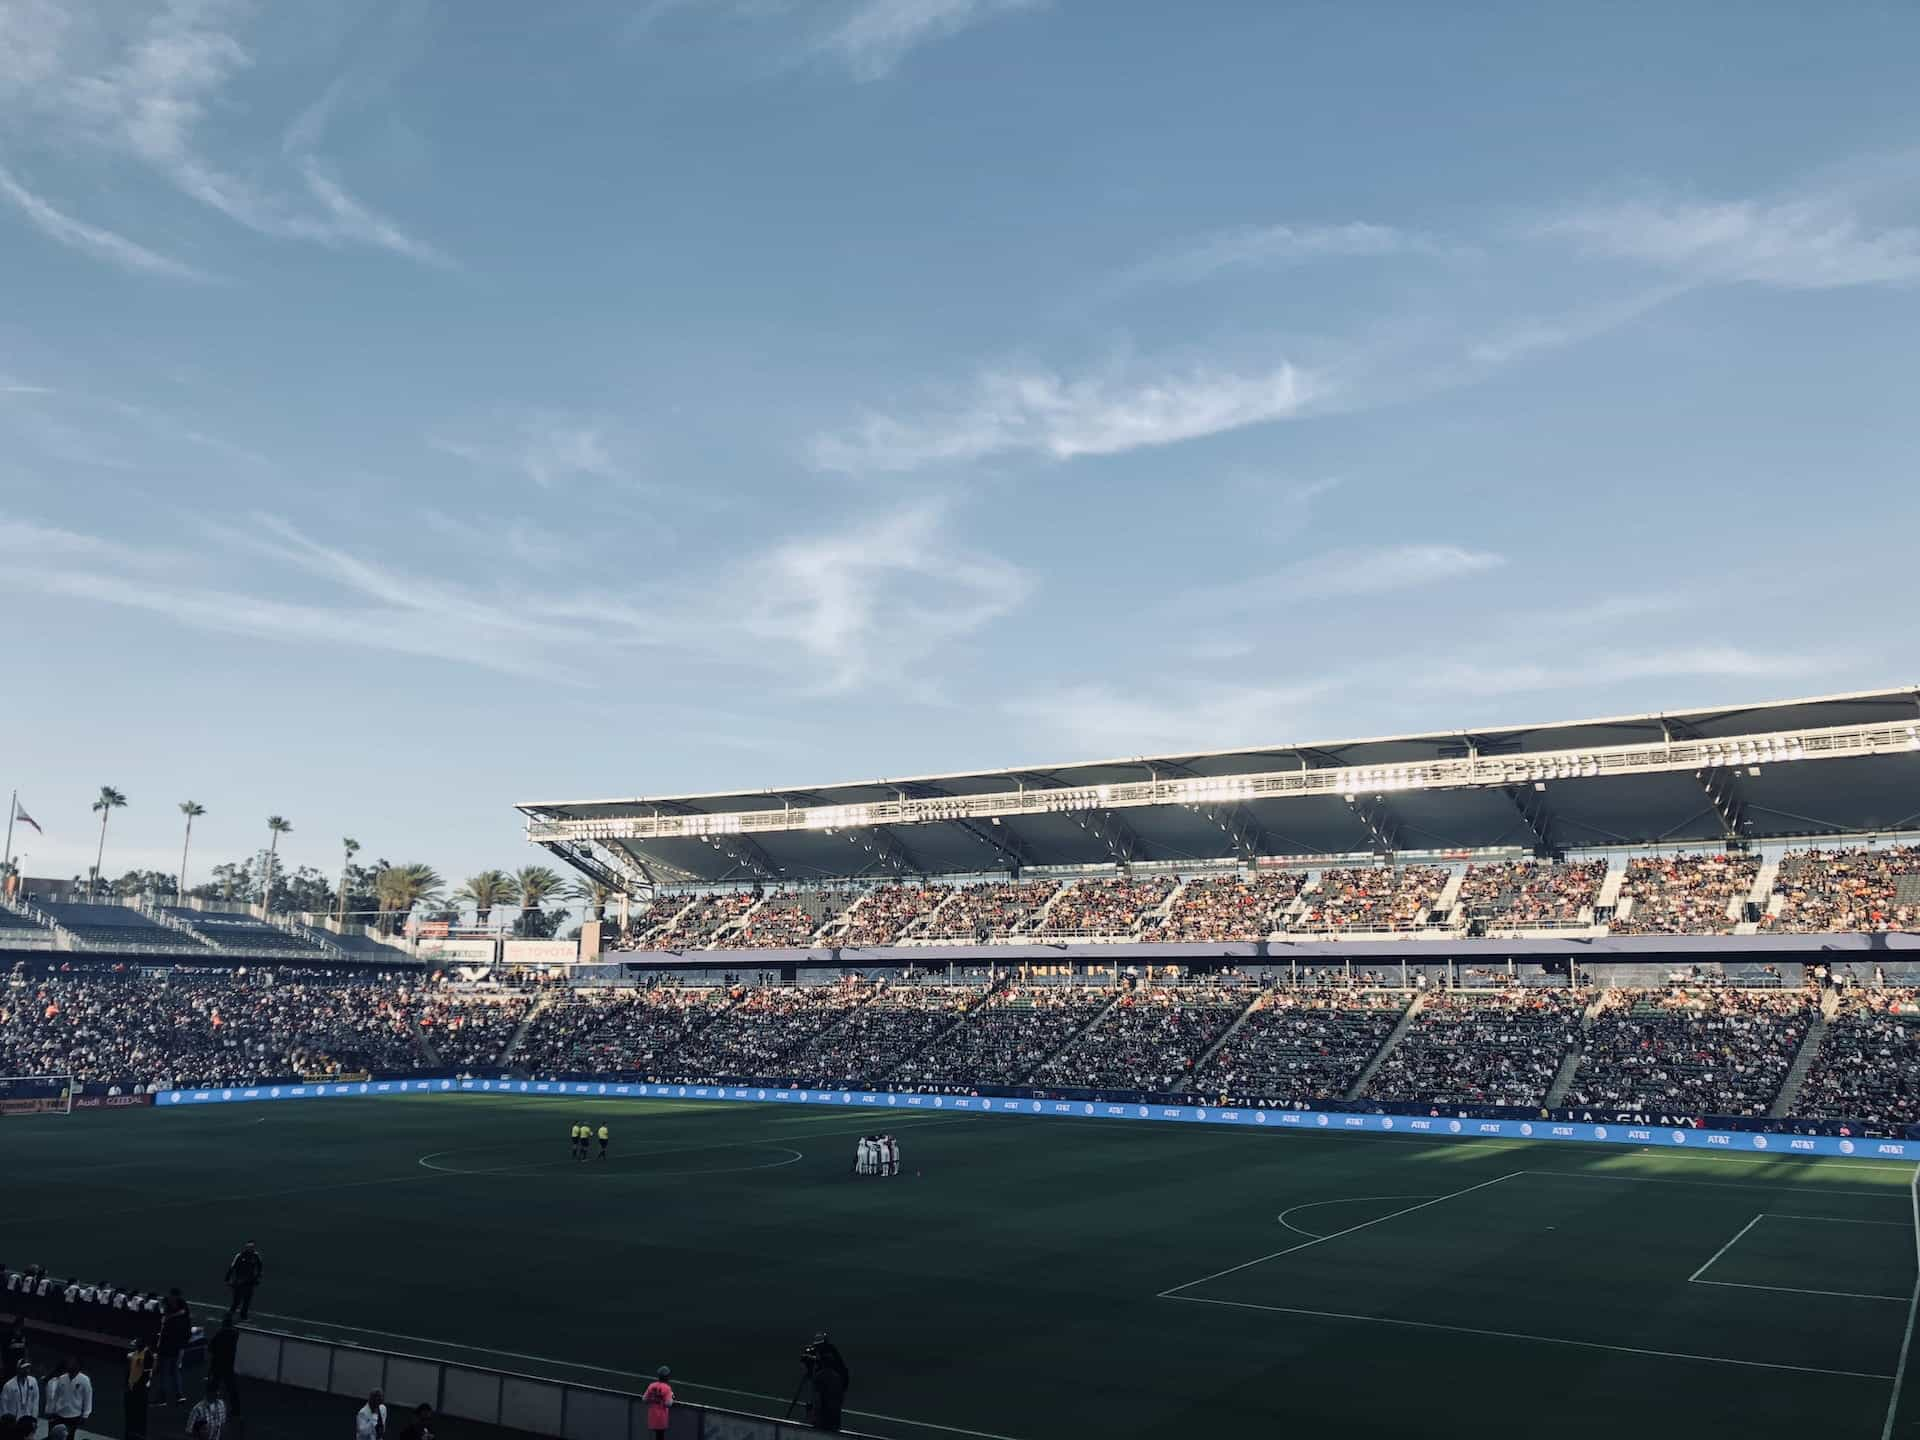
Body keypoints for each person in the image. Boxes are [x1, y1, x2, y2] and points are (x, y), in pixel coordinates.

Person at [806, 1334, 849, 1434]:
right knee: (833, 1413)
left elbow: (818, 1396)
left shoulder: (824, 1372)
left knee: (827, 1412)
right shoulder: (831, 1353)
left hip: (832, 1387)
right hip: (837, 1388)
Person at [156, 1290, 192, 1405]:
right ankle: (179, 1395)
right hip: (179, 1347)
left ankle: (162, 1398)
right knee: (175, 1371)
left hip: (167, 1348)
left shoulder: (169, 1320)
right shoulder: (185, 1318)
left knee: (164, 1372)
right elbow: (188, 1334)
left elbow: (163, 1335)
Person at [46, 1357, 91, 1440]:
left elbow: (88, 1398)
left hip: (74, 1415)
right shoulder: (62, 1378)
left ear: (78, 1366)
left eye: (73, 1363)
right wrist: (51, 1410)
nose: (70, 1365)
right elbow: (56, 1396)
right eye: (69, 1363)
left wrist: (85, 1415)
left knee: (68, 1437)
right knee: (54, 1436)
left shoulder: (85, 1380)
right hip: (59, 1414)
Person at [126, 1338, 157, 1440]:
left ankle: (140, 1434)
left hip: (140, 1387)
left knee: (140, 1411)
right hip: (133, 1386)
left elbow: (147, 1374)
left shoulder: (147, 1355)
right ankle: (131, 1431)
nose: (134, 1346)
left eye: (136, 1344)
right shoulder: (137, 1353)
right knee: (131, 1411)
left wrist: (140, 1384)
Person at [224, 1241, 264, 1320]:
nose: (250, 1249)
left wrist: (257, 1277)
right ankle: (230, 1315)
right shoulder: (239, 1256)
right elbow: (232, 1267)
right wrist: (227, 1278)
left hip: (249, 1282)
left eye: (252, 1248)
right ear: (246, 1248)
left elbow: (260, 1266)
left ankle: (243, 1315)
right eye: (249, 1247)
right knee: (237, 1301)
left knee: (247, 1300)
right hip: (239, 1282)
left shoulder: (256, 1256)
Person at [209, 1317, 241, 1415]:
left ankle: (210, 1406)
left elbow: (211, 1347)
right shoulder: (234, 1335)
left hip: (218, 1364)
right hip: (228, 1365)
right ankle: (236, 1409)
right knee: (231, 1388)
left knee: (213, 1386)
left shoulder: (220, 1334)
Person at [0, 1360, 37, 1431]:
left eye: (28, 1368)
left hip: (28, 1418)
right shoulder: (9, 1385)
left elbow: (35, 1400)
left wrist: (34, 1418)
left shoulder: (33, 1381)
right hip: (14, 1420)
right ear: (18, 1369)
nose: (27, 1370)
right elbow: (3, 1405)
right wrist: (5, 1422)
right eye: (24, 1368)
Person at [642, 1366, 673, 1439]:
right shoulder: (667, 1388)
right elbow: (668, 1404)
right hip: (662, 1418)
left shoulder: (652, 1386)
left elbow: (644, 1399)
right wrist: (671, 1396)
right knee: (660, 1436)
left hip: (652, 1416)